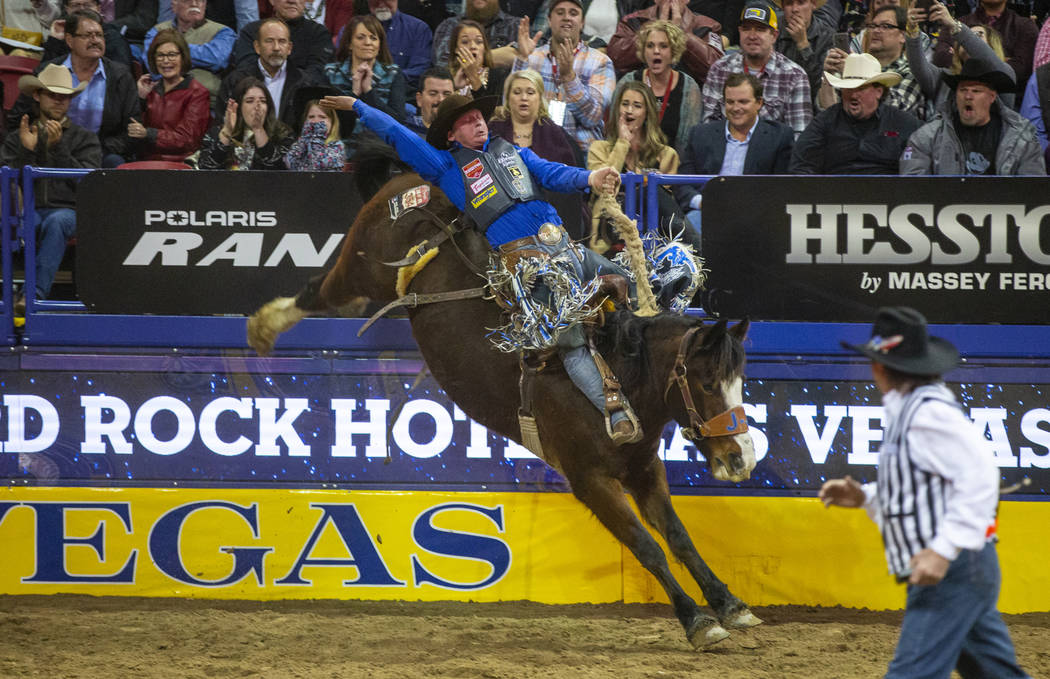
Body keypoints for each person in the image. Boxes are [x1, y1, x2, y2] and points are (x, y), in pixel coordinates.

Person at [320, 91, 644, 444]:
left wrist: (590, 178)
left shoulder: (513, 151)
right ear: (450, 134)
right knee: (571, 340)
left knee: (632, 285)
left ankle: (644, 375)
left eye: (479, 117)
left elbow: (551, 173)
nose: (478, 123)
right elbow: (400, 135)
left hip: (566, 249)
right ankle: (615, 411)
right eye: (468, 120)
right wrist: (359, 107)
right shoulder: (445, 166)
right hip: (528, 268)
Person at [820, 306, 1031, 679]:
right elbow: (925, 488)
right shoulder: (916, 410)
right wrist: (866, 497)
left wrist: (942, 550)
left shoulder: (926, 413)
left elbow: (981, 474)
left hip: (953, 572)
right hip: (967, 569)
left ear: (879, 368)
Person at [1, 64, 101, 313]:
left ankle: (32, 296)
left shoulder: (85, 138)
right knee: (27, 221)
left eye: (64, 96)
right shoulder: (17, 137)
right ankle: (14, 295)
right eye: (52, 95)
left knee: (56, 222)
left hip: (70, 211)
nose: (59, 101)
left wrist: (59, 149)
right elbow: (9, 181)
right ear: (37, 96)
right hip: (28, 209)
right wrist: (27, 151)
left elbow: (88, 183)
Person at [7, 10, 140, 167]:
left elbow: (132, 128)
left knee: (115, 163)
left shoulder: (121, 76)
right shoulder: (48, 71)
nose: (95, 40)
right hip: (46, 150)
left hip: (101, 153)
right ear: (69, 40)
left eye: (99, 35)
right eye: (87, 35)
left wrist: (95, 149)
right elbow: (17, 118)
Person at [674, 72, 793, 238]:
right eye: (730, 102)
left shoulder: (779, 136)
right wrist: (701, 202)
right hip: (707, 212)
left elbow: (783, 188)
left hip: (757, 215)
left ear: (759, 103)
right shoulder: (701, 134)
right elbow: (681, 183)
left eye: (743, 102)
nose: (736, 108)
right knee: (687, 228)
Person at [588, 81, 688, 252]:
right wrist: (622, 143)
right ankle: (693, 248)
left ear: (647, 113)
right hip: (609, 236)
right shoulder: (599, 149)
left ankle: (688, 250)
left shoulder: (666, 155)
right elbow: (602, 187)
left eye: (637, 106)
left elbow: (667, 207)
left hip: (653, 237)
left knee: (653, 192)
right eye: (625, 104)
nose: (629, 110)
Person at [901, 58, 1045, 175]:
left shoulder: (1022, 136)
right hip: (946, 207)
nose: (968, 96)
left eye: (976, 91)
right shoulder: (927, 137)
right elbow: (913, 187)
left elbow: (1033, 188)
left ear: (992, 97)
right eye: (963, 90)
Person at [512, 0, 616, 152]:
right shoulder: (533, 57)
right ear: (549, 20)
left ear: (582, 23)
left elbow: (592, 117)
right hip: (537, 151)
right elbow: (512, 109)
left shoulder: (600, 62)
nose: (566, 17)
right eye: (560, 12)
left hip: (582, 157)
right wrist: (522, 58)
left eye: (573, 13)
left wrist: (569, 78)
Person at [791, 52, 920, 173]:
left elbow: (918, 170)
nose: (853, 95)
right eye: (848, 88)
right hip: (834, 191)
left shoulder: (903, 123)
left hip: (888, 192)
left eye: (861, 88)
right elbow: (801, 166)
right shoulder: (825, 122)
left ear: (879, 92)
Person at [701, 0, 812, 137]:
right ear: (740, 32)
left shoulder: (794, 76)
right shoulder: (719, 69)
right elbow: (708, 126)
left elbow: (798, 135)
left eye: (760, 29)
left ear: (774, 36)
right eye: (746, 28)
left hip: (773, 155)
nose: (752, 36)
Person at [907, 3, 1014, 113]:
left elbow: (988, 60)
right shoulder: (945, 77)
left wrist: (954, 25)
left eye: (978, 35)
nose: (967, 42)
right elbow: (918, 67)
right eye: (964, 39)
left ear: (992, 45)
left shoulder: (1004, 73)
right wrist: (912, 31)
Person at [819, 6, 923, 119]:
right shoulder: (853, 62)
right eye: (872, 26)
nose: (876, 31)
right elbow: (827, 111)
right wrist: (828, 75)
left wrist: (856, 73)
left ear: (903, 36)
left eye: (885, 26)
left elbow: (895, 109)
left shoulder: (912, 72)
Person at [616, 19, 703, 152]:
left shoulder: (689, 87)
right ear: (643, 51)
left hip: (672, 166)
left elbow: (688, 144)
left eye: (663, 46)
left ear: (673, 51)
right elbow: (615, 130)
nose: (656, 51)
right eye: (650, 46)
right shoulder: (628, 82)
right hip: (630, 161)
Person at [217, 17, 319, 130]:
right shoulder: (235, 81)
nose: (276, 48)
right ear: (257, 47)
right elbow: (223, 123)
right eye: (269, 41)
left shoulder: (306, 83)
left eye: (282, 41)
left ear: (289, 48)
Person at [129, 29, 211, 161]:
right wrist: (140, 98)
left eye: (172, 55)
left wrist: (149, 134)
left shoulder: (198, 93)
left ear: (183, 57)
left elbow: (188, 140)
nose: (165, 61)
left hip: (181, 164)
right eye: (160, 55)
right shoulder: (149, 90)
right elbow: (132, 133)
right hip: (146, 162)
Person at [325, 13, 408, 145]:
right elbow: (327, 121)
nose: (368, 43)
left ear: (379, 45)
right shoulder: (331, 73)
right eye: (360, 37)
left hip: (381, 151)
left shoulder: (393, 74)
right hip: (340, 150)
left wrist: (369, 91)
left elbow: (398, 123)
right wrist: (354, 94)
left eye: (373, 38)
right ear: (349, 44)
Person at [932, 0, 1037, 99]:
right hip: (957, 98)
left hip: (1008, 102)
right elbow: (941, 58)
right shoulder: (954, 24)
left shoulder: (1025, 26)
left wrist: (961, 57)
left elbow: (1020, 69)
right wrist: (1001, 60)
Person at [607, 0, 724, 85]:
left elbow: (717, 70)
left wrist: (682, 35)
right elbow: (615, 57)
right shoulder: (634, 20)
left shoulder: (708, 25)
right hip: (640, 92)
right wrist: (654, 29)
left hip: (689, 95)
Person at [488, 68, 583, 166]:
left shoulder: (555, 133)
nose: (524, 98)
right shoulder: (493, 130)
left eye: (530, 93)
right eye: (517, 92)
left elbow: (567, 174)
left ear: (540, 98)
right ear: (507, 98)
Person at [142, 0, 237, 99]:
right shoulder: (156, 31)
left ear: (205, 5)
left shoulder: (223, 32)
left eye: (199, 1)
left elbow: (217, 59)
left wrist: (170, 53)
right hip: (165, 99)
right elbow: (152, 65)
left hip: (208, 102)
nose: (194, 4)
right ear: (174, 5)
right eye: (187, 0)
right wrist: (202, 57)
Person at [198, 76, 292, 168]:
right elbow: (206, 168)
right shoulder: (216, 133)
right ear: (238, 107)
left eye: (263, 101)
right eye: (250, 101)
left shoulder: (283, 134)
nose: (257, 106)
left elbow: (281, 172)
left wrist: (258, 130)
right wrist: (227, 131)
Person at [229, 0, 333, 81]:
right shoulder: (251, 31)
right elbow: (245, 71)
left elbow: (317, 74)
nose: (292, 1)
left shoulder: (319, 34)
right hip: (259, 94)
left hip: (302, 98)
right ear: (271, 0)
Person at [773, 0, 842, 96]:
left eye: (801, 3)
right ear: (783, 7)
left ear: (813, 4)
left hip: (810, 102)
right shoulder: (772, 30)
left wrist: (803, 44)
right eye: (789, 3)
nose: (795, 9)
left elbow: (818, 86)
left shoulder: (828, 36)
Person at [432, 0, 522, 69]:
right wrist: (488, 58)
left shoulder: (517, 26)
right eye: (465, 41)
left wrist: (465, 61)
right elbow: (443, 65)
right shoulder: (449, 25)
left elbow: (523, 63)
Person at [40, 0, 132, 66]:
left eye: (88, 5)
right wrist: (55, 41)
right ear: (67, 9)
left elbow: (121, 78)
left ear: (98, 9)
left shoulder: (112, 37)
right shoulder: (63, 34)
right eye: (75, 5)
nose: (82, 9)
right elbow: (44, 73)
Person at [367, 0, 433, 90]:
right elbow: (343, 66)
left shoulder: (418, 29)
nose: (381, 3)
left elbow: (420, 70)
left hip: (405, 96)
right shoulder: (352, 29)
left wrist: (384, 79)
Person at [284, 86, 346, 169]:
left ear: (332, 122)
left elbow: (316, 164)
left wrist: (317, 137)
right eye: (311, 117)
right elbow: (289, 162)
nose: (316, 121)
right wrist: (304, 140)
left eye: (322, 117)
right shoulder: (300, 144)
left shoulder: (337, 146)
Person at [448, 19, 509, 99]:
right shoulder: (446, 76)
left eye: (479, 42)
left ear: (484, 48)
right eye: (465, 42)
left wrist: (473, 77)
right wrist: (454, 87)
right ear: (456, 49)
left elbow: (491, 110)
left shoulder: (499, 76)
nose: (473, 46)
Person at [406, 66, 454, 135]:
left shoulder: (464, 137)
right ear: (419, 99)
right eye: (433, 94)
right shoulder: (404, 134)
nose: (441, 99)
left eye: (447, 94)